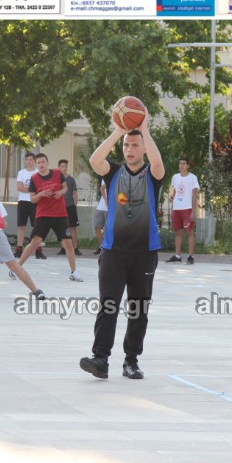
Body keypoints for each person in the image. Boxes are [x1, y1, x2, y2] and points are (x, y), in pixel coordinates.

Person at [79, 111, 165, 381]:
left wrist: (144, 128)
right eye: (127, 145)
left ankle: (131, 361)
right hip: (113, 251)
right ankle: (100, 358)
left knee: (138, 308)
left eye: (135, 145)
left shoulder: (152, 174)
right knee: (108, 305)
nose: (130, 149)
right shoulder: (113, 172)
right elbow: (95, 160)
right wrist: (119, 130)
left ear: (143, 148)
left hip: (144, 251)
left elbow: (158, 163)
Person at [18, 153, 82, 281]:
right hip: (43, 215)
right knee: (35, 242)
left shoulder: (57, 173)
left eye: (43, 162)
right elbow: (32, 199)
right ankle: (17, 268)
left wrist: (60, 193)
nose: (41, 164)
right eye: (39, 162)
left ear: (47, 163)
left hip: (60, 214)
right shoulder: (34, 178)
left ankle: (74, 272)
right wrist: (41, 194)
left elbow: (65, 188)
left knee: (68, 243)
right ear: (36, 164)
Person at [167, 156, 199, 265]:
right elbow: (173, 193)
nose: (182, 166)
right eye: (180, 163)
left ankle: (190, 256)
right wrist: (172, 208)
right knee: (177, 232)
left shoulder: (193, 178)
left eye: (184, 164)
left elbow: (194, 196)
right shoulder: (175, 177)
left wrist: (193, 211)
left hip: (187, 208)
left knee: (190, 232)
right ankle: (177, 256)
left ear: (188, 165)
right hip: (177, 208)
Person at [14, 152, 37, 257]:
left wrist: (29, 189)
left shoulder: (37, 173)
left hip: (34, 201)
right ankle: (19, 248)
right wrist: (32, 189)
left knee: (36, 225)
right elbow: (19, 187)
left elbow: (39, 188)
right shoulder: (21, 173)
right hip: (23, 201)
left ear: (34, 161)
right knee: (21, 225)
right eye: (27, 159)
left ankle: (38, 249)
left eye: (31, 159)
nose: (29, 161)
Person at [58, 158, 82, 256]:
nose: (64, 168)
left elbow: (75, 193)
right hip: (60, 207)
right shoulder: (57, 179)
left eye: (65, 166)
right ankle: (62, 248)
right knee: (61, 228)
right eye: (62, 166)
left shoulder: (71, 179)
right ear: (59, 167)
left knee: (72, 228)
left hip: (70, 206)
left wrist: (75, 204)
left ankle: (75, 248)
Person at [93, 180, 108, 255]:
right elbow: (102, 188)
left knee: (108, 229)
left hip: (110, 207)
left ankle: (106, 248)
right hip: (101, 206)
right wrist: (105, 200)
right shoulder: (104, 177)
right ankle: (101, 246)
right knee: (97, 226)